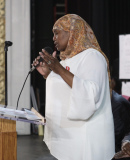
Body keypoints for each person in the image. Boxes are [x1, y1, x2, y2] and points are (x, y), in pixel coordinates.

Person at [33, 14, 115, 160]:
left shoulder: (93, 56)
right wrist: (48, 75)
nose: (54, 38)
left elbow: (90, 93)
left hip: (88, 134)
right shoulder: (67, 59)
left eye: (57, 33)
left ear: (72, 31)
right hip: (72, 134)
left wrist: (58, 69)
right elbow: (66, 88)